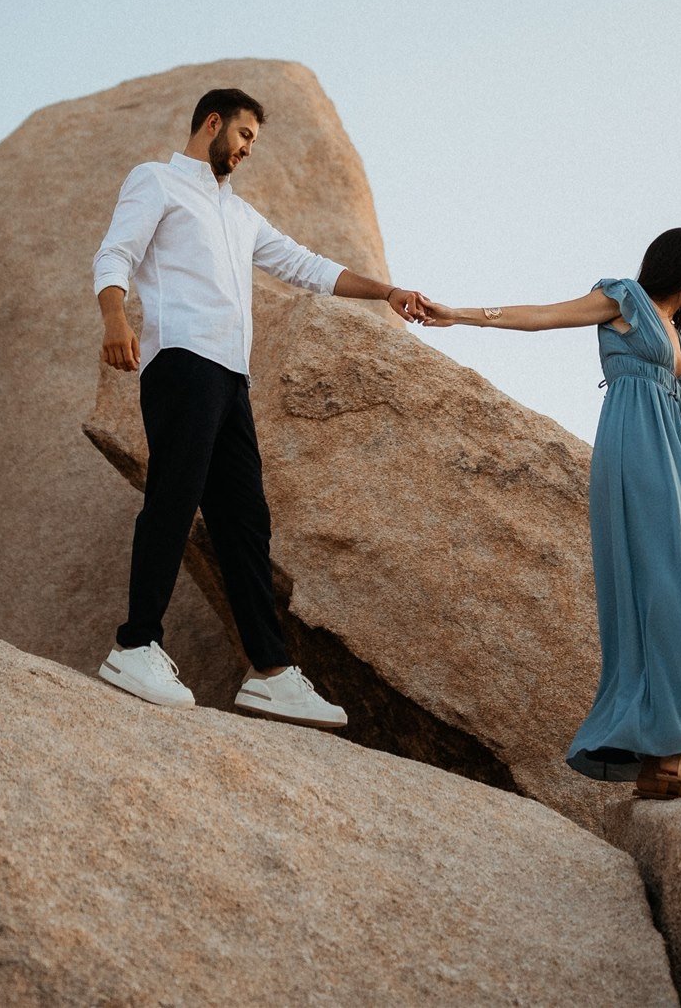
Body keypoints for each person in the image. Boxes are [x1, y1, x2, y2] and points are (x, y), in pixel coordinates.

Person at [91, 87, 432, 728]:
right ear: (213, 123)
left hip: (230, 379)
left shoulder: (240, 215)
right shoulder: (158, 182)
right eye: (245, 135)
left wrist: (386, 292)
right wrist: (114, 315)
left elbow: (306, 265)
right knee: (174, 495)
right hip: (181, 364)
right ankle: (135, 644)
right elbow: (116, 252)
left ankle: (270, 673)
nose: (248, 150)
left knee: (246, 522)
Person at [420, 228, 681, 800]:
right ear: (676, 263)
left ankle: (658, 767)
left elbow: (668, 409)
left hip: (669, 460)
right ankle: (679, 754)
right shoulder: (625, 298)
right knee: (677, 608)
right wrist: (459, 314)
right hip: (632, 455)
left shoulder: (677, 334)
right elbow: (544, 316)